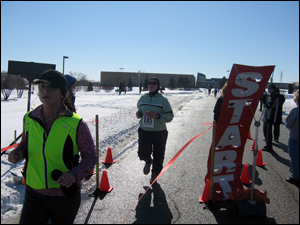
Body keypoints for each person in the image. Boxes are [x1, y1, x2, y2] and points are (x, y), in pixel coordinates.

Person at [8, 69, 97, 224]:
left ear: (62, 93)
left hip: (64, 197)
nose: (44, 91)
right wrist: (17, 152)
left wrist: (74, 175)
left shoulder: (76, 124)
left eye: (50, 87)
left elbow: (90, 157)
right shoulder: (29, 118)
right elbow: (24, 143)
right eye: (41, 87)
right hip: (33, 192)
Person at [136, 77, 174, 184]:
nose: (151, 85)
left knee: (159, 155)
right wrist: (138, 113)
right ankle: (148, 161)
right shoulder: (143, 98)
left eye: (154, 83)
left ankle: (154, 175)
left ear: (157, 86)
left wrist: (157, 116)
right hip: (144, 131)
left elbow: (170, 116)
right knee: (142, 153)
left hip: (159, 132)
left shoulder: (163, 100)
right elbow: (140, 109)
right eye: (149, 83)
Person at [285, 90, 299, 185]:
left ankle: (295, 176)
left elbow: (288, 123)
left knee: (294, 157)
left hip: (295, 135)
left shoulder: (295, 111)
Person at [262, 84, 280, 151]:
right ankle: (268, 145)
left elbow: (269, 105)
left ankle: (269, 146)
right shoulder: (273, 96)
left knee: (268, 132)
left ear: (272, 89)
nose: (268, 90)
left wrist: (264, 99)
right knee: (266, 130)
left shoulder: (274, 96)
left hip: (270, 117)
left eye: (269, 88)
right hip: (269, 116)